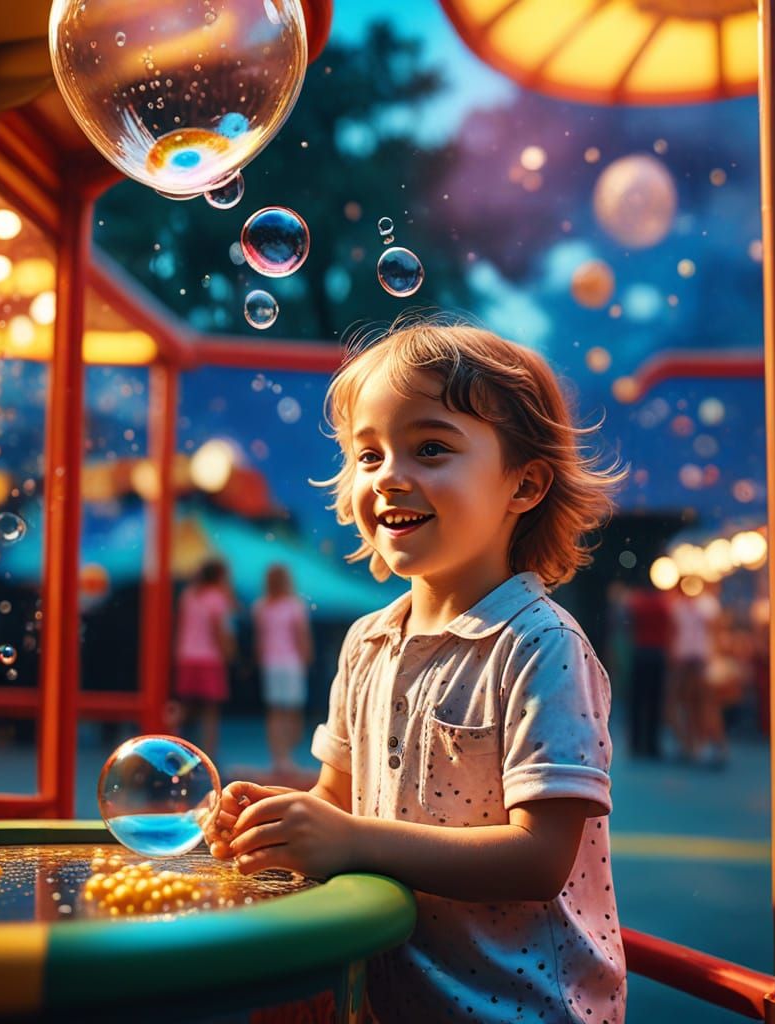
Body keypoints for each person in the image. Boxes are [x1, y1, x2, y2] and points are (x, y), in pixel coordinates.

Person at [207, 320, 627, 1024]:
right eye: (369, 455)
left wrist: (349, 840)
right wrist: (282, 822)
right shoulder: (367, 641)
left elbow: (540, 857)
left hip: (524, 1010)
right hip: (390, 999)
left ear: (524, 485)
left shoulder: (540, 643)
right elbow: (338, 801)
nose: (391, 475)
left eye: (430, 447)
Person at [252, 563, 313, 778]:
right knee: (292, 712)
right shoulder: (294, 606)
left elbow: (259, 641)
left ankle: (280, 757)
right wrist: (306, 660)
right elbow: (302, 637)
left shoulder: (261, 607)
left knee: (276, 713)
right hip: (290, 663)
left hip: (272, 664)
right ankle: (285, 757)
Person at [174, 557, 236, 764]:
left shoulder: (188, 595)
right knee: (210, 711)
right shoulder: (217, 598)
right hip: (209, 659)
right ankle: (208, 756)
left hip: (186, 656)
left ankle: (175, 748)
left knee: (185, 707)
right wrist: (230, 653)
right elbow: (219, 629)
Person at [667, 584, 721, 764]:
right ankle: (691, 744)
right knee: (686, 702)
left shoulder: (705, 604)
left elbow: (713, 630)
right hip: (686, 658)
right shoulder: (679, 606)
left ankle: (704, 743)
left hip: (697, 658)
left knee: (701, 702)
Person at [624, 583, 671, 758]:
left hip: (641, 652)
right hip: (657, 654)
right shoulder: (663, 603)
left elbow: (629, 626)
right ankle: (652, 744)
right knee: (655, 701)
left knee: (637, 701)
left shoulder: (636, 602)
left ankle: (636, 743)